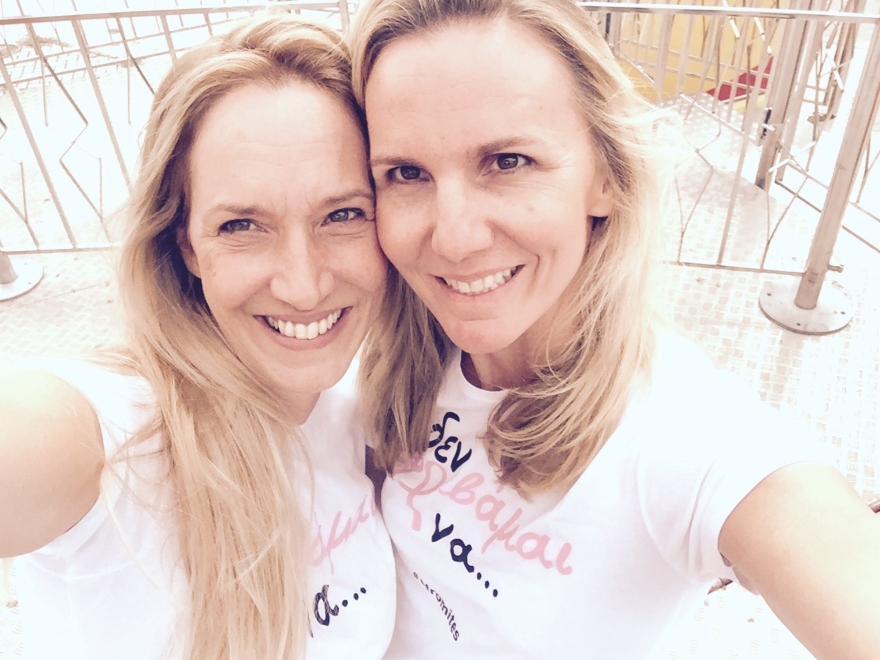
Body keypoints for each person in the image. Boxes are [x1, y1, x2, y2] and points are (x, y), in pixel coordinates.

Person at [349, 0, 880, 657]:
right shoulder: (394, 363)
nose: (454, 238)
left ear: (604, 176)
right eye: (405, 174)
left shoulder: (683, 433)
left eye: (508, 162)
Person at [0, 13, 394, 660]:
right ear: (185, 245)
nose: (303, 286)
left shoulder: (354, 404)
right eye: (241, 226)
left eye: (343, 214)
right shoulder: (112, 440)